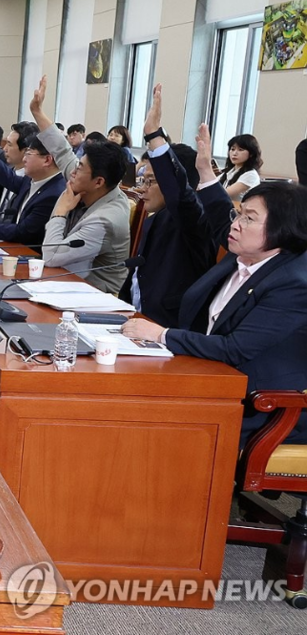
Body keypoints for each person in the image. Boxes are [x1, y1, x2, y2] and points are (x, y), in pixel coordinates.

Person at [123, 180, 307, 447]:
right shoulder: (241, 257)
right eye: (239, 214)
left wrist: (162, 335)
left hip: (261, 405)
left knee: (145, 420)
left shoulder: (293, 283)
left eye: (249, 218)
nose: (235, 224)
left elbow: (235, 349)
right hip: (211, 377)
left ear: (284, 228)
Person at [118, 85, 227, 328]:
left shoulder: (194, 220)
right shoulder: (154, 218)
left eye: (152, 182)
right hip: (134, 319)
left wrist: (154, 137)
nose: (143, 189)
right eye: (142, 180)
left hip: (166, 328)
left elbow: (180, 198)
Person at [30, 76, 130, 294]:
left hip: (95, 295)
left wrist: (59, 212)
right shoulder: (87, 180)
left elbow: (52, 255)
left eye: (79, 168)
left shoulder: (106, 219)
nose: (72, 171)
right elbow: (62, 151)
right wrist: (37, 111)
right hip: (68, 280)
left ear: (99, 181)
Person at [218, 134, 262, 201]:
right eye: (232, 149)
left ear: (251, 154)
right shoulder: (229, 171)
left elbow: (223, 194)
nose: (234, 153)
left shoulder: (251, 175)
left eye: (240, 150)